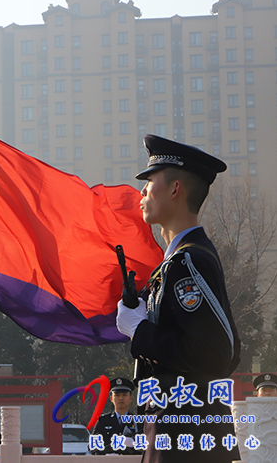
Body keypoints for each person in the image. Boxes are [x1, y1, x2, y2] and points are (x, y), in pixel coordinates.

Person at [116, 134, 241, 463]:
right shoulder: (179, 261)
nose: (142, 192)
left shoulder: (188, 261)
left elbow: (217, 353)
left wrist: (140, 330)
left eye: (150, 181)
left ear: (175, 190)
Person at [91, 377, 142, 455]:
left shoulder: (138, 421)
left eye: (125, 395)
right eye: (117, 395)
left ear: (131, 398)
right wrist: (106, 455)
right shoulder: (103, 421)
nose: (121, 398)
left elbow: (147, 447)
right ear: (111, 398)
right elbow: (92, 447)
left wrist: (134, 444)